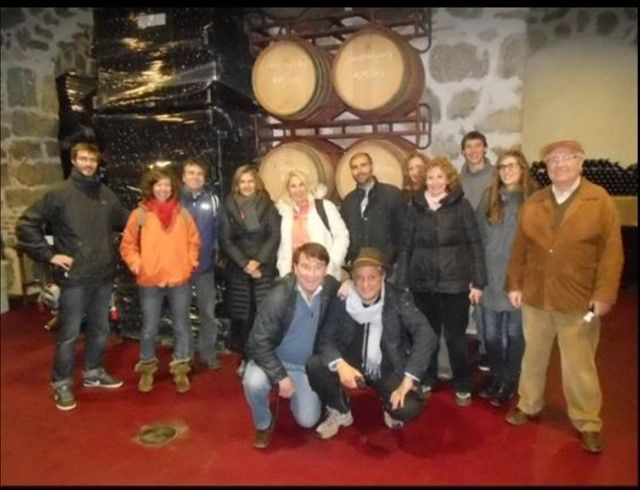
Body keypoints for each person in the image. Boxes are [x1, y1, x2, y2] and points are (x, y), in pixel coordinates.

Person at [505, 140, 623, 454]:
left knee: (579, 364)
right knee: (533, 356)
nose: (559, 165)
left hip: (577, 298)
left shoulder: (599, 200)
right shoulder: (536, 201)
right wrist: (514, 284)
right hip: (536, 294)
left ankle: (588, 421)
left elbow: (612, 254)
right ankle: (528, 403)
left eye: (566, 159)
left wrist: (604, 294)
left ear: (580, 163)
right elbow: (520, 248)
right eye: (552, 160)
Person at [16, 142, 129, 411]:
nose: (89, 163)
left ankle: (93, 372)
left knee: (100, 329)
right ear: (74, 161)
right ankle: (62, 383)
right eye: (84, 158)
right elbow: (26, 224)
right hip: (75, 278)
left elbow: (127, 220)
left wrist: (153, 212)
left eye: (93, 159)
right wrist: (48, 255)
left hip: (103, 275)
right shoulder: (59, 193)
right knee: (68, 333)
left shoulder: (106, 194)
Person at [307, 247, 437, 439]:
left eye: (372, 277)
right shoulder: (343, 297)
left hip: (386, 367)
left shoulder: (397, 298)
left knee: (409, 408)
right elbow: (325, 339)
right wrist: (340, 365)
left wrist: (408, 379)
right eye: (359, 277)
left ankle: (388, 404)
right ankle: (339, 409)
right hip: (350, 362)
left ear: (383, 277)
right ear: (352, 279)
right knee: (315, 364)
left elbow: (426, 334)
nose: (365, 284)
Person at [397, 157, 487, 407]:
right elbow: (406, 246)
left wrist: (479, 282)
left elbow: (475, 244)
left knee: (456, 337)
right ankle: (427, 377)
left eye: (439, 177)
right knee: (427, 335)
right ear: (424, 180)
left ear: (448, 179)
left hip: (454, 284)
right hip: (422, 284)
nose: (435, 182)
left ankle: (462, 383)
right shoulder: (414, 207)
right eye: (430, 177)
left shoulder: (461, 205)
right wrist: (401, 282)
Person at [242, 242, 339, 449]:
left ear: (325, 270)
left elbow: (354, 284)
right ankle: (264, 423)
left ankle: (302, 395)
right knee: (253, 383)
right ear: (294, 268)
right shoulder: (279, 296)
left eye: (318, 267)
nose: (311, 274)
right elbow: (258, 341)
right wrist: (280, 377)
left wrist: (348, 281)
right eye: (305, 266)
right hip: (271, 360)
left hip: (304, 367)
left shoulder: (330, 288)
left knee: (307, 421)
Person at [120, 165, 200, 394]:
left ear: (172, 187)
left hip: (179, 280)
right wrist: (137, 265)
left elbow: (194, 241)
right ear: (151, 187)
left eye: (167, 184)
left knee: (182, 326)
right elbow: (127, 246)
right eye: (158, 185)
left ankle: (181, 368)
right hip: (150, 282)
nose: (163, 189)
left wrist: (190, 263)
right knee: (149, 328)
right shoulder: (140, 214)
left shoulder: (182, 213)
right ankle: (146, 369)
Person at [476, 150, 537, 407]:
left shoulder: (533, 201)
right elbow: (477, 239)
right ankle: (498, 376)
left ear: (523, 168)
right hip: (490, 279)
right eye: (502, 167)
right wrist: (476, 279)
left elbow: (536, 246)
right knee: (490, 335)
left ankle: (509, 381)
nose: (507, 171)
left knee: (514, 334)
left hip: (517, 282)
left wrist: (525, 281)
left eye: (512, 166)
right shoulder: (489, 198)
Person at [219, 164, 281, 377]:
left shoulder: (268, 204)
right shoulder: (228, 205)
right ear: (237, 184)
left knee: (264, 315)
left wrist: (258, 261)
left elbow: (274, 235)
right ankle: (246, 357)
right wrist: (245, 264)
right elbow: (226, 239)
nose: (246, 185)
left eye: (250, 181)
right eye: (242, 181)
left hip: (264, 267)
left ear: (256, 183)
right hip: (239, 268)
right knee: (243, 316)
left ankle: (265, 357)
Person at [459, 131, 496, 372]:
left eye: (477, 146)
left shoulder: (495, 176)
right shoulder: (457, 179)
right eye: (468, 147)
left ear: (485, 148)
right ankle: (458, 351)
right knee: (461, 301)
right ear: (463, 152)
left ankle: (486, 350)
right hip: (462, 248)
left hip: (487, 246)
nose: (473, 150)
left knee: (485, 302)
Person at [180, 158, 222, 370]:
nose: (195, 177)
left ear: (204, 178)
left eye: (199, 174)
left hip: (205, 267)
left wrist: (216, 253)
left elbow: (217, 230)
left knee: (208, 313)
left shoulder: (212, 200)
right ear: (183, 176)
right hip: (181, 269)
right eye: (191, 173)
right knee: (182, 314)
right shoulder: (175, 201)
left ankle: (207, 352)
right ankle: (186, 355)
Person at [340, 152, 406, 277]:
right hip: (359, 270)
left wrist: (398, 263)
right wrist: (350, 259)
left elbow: (404, 233)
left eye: (363, 165)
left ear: (371, 167)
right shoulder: (348, 201)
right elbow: (346, 235)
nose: (359, 170)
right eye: (354, 167)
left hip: (388, 269)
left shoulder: (392, 195)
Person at [275, 170, 349, 280]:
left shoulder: (324, 207)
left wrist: (332, 264)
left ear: (307, 186)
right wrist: (284, 273)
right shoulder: (286, 214)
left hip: (323, 272)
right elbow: (284, 248)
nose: (298, 190)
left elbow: (342, 235)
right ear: (288, 190)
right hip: (296, 274)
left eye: (301, 185)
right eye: (293, 186)